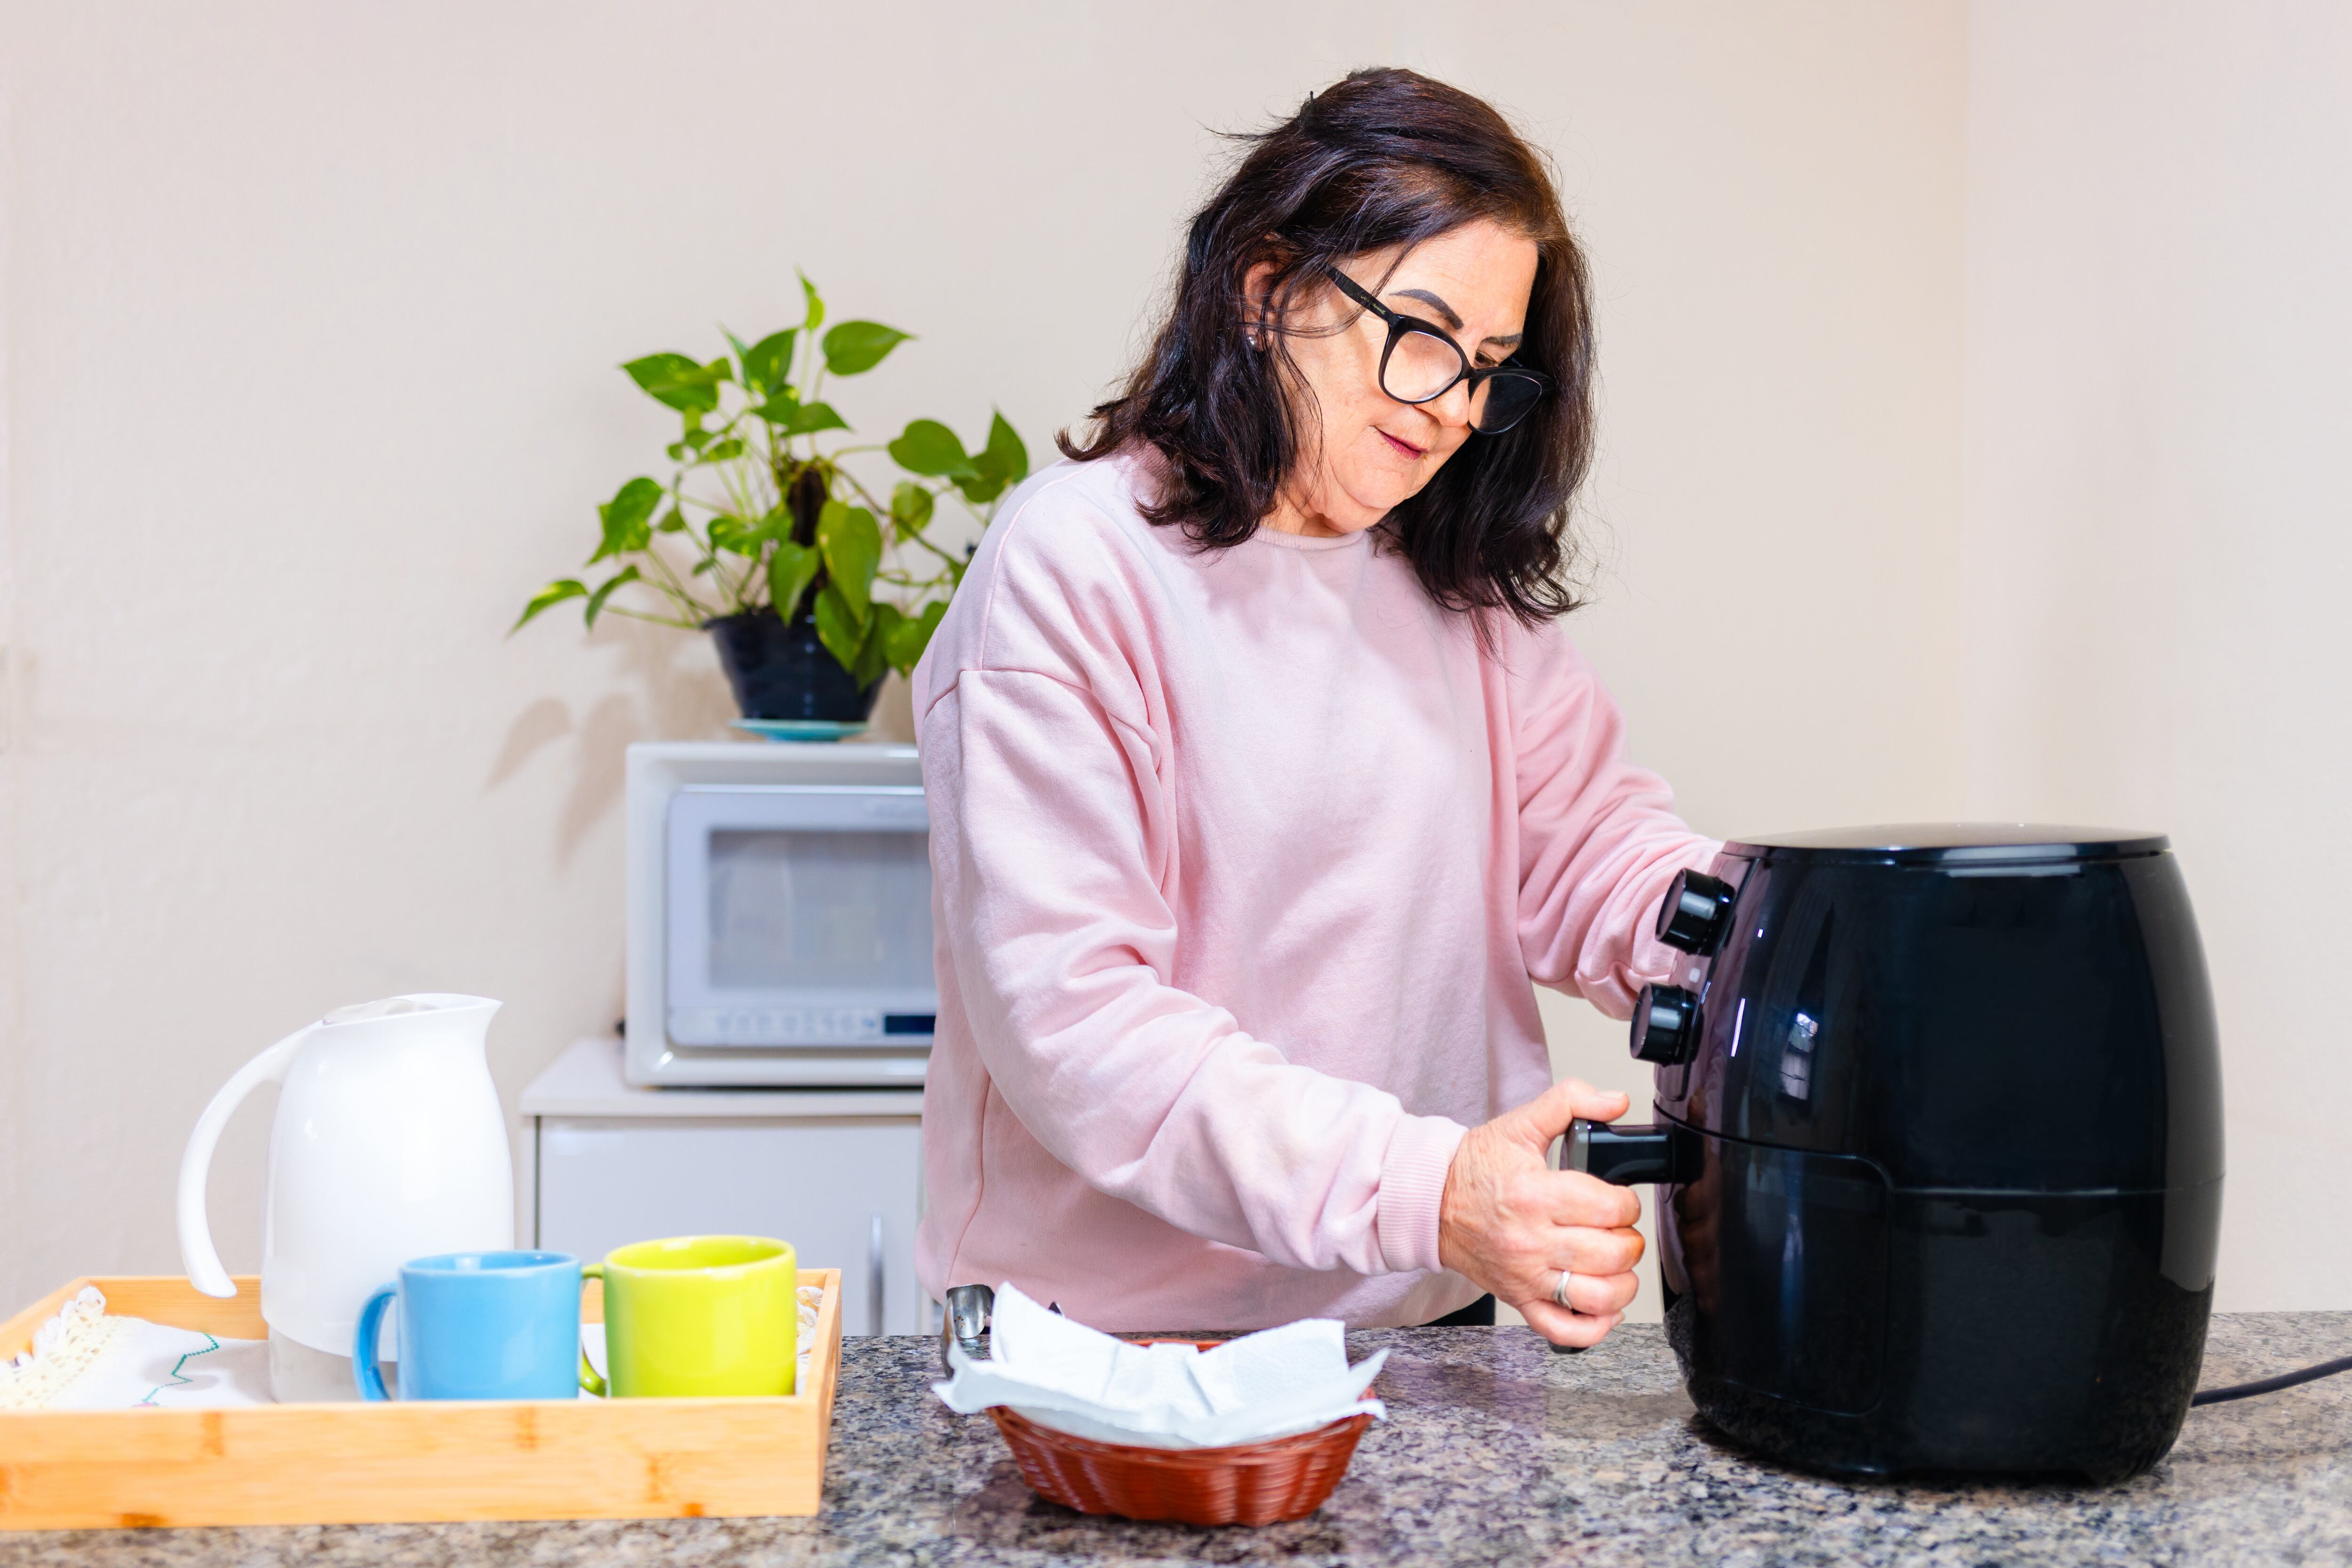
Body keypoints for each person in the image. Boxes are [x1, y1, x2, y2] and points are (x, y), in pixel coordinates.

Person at [908, 67, 1717, 1347]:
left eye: (1492, 371)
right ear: (1269, 288)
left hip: (1419, 1314)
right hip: (1123, 1344)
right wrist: (1433, 1191)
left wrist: (1801, 944)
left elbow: (1602, 862)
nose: (1454, 407)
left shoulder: (1455, 586)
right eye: (1423, 335)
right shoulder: (1074, 568)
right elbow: (1080, 1027)